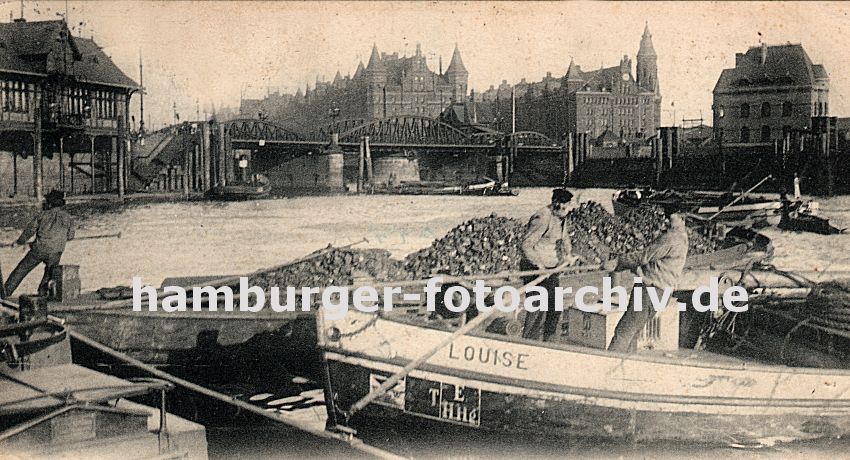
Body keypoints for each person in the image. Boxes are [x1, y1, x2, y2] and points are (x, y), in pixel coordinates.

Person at [607, 213, 689, 353]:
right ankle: (624, 368)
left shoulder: (671, 237)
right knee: (633, 331)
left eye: (671, 217)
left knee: (624, 331)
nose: (666, 220)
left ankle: (605, 368)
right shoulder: (683, 238)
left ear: (682, 219)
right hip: (661, 292)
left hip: (650, 290)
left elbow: (643, 256)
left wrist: (617, 262)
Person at [520, 188, 581, 341]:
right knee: (537, 307)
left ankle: (549, 341)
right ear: (556, 205)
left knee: (555, 306)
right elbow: (526, 245)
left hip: (551, 268)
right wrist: (539, 266)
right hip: (534, 267)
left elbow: (564, 236)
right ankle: (528, 342)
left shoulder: (562, 216)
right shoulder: (542, 217)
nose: (569, 210)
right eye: (566, 207)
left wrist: (568, 254)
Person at [4, 190, 75, 297]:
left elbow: (29, 231)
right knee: (49, 273)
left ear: (50, 203)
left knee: (21, 269)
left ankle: (5, 293)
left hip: (39, 250)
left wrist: (19, 242)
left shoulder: (42, 215)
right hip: (56, 251)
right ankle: (42, 295)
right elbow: (70, 237)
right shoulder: (68, 218)